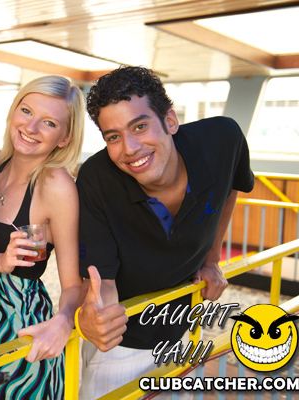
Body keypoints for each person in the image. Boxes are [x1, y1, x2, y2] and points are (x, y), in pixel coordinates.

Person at [75, 66, 255, 399]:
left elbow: (232, 183)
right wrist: (95, 315)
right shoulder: (97, 179)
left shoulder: (222, 139)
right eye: (113, 136)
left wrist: (211, 258)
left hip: (182, 329)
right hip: (120, 347)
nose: (129, 148)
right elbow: (102, 282)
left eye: (140, 126)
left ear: (170, 121)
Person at [0, 75, 92, 399]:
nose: (31, 127)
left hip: (18, 330)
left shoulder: (56, 186)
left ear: (64, 137)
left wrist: (63, 320)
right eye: (26, 111)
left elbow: (72, 284)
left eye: (49, 122)